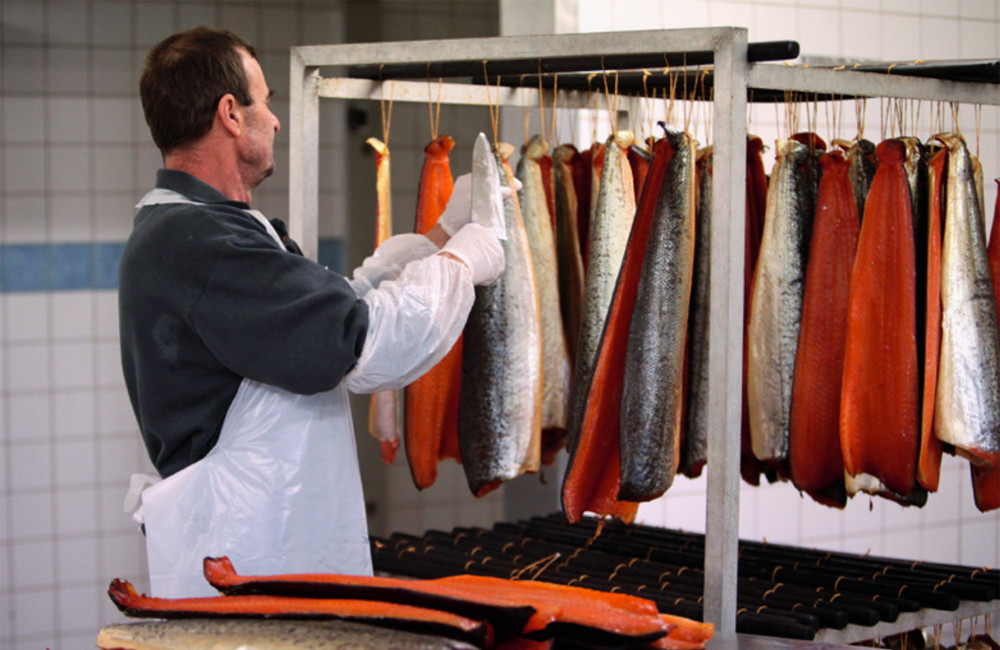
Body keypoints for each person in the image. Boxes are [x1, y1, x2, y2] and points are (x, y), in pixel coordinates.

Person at [119, 27, 504, 598]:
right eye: (265, 101)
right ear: (230, 113)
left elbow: (323, 315)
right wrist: (462, 263)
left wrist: (439, 238)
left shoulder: (201, 227)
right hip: (248, 556)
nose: (275, 121)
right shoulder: (203, 242)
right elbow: (366, 343)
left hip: (263, 542)